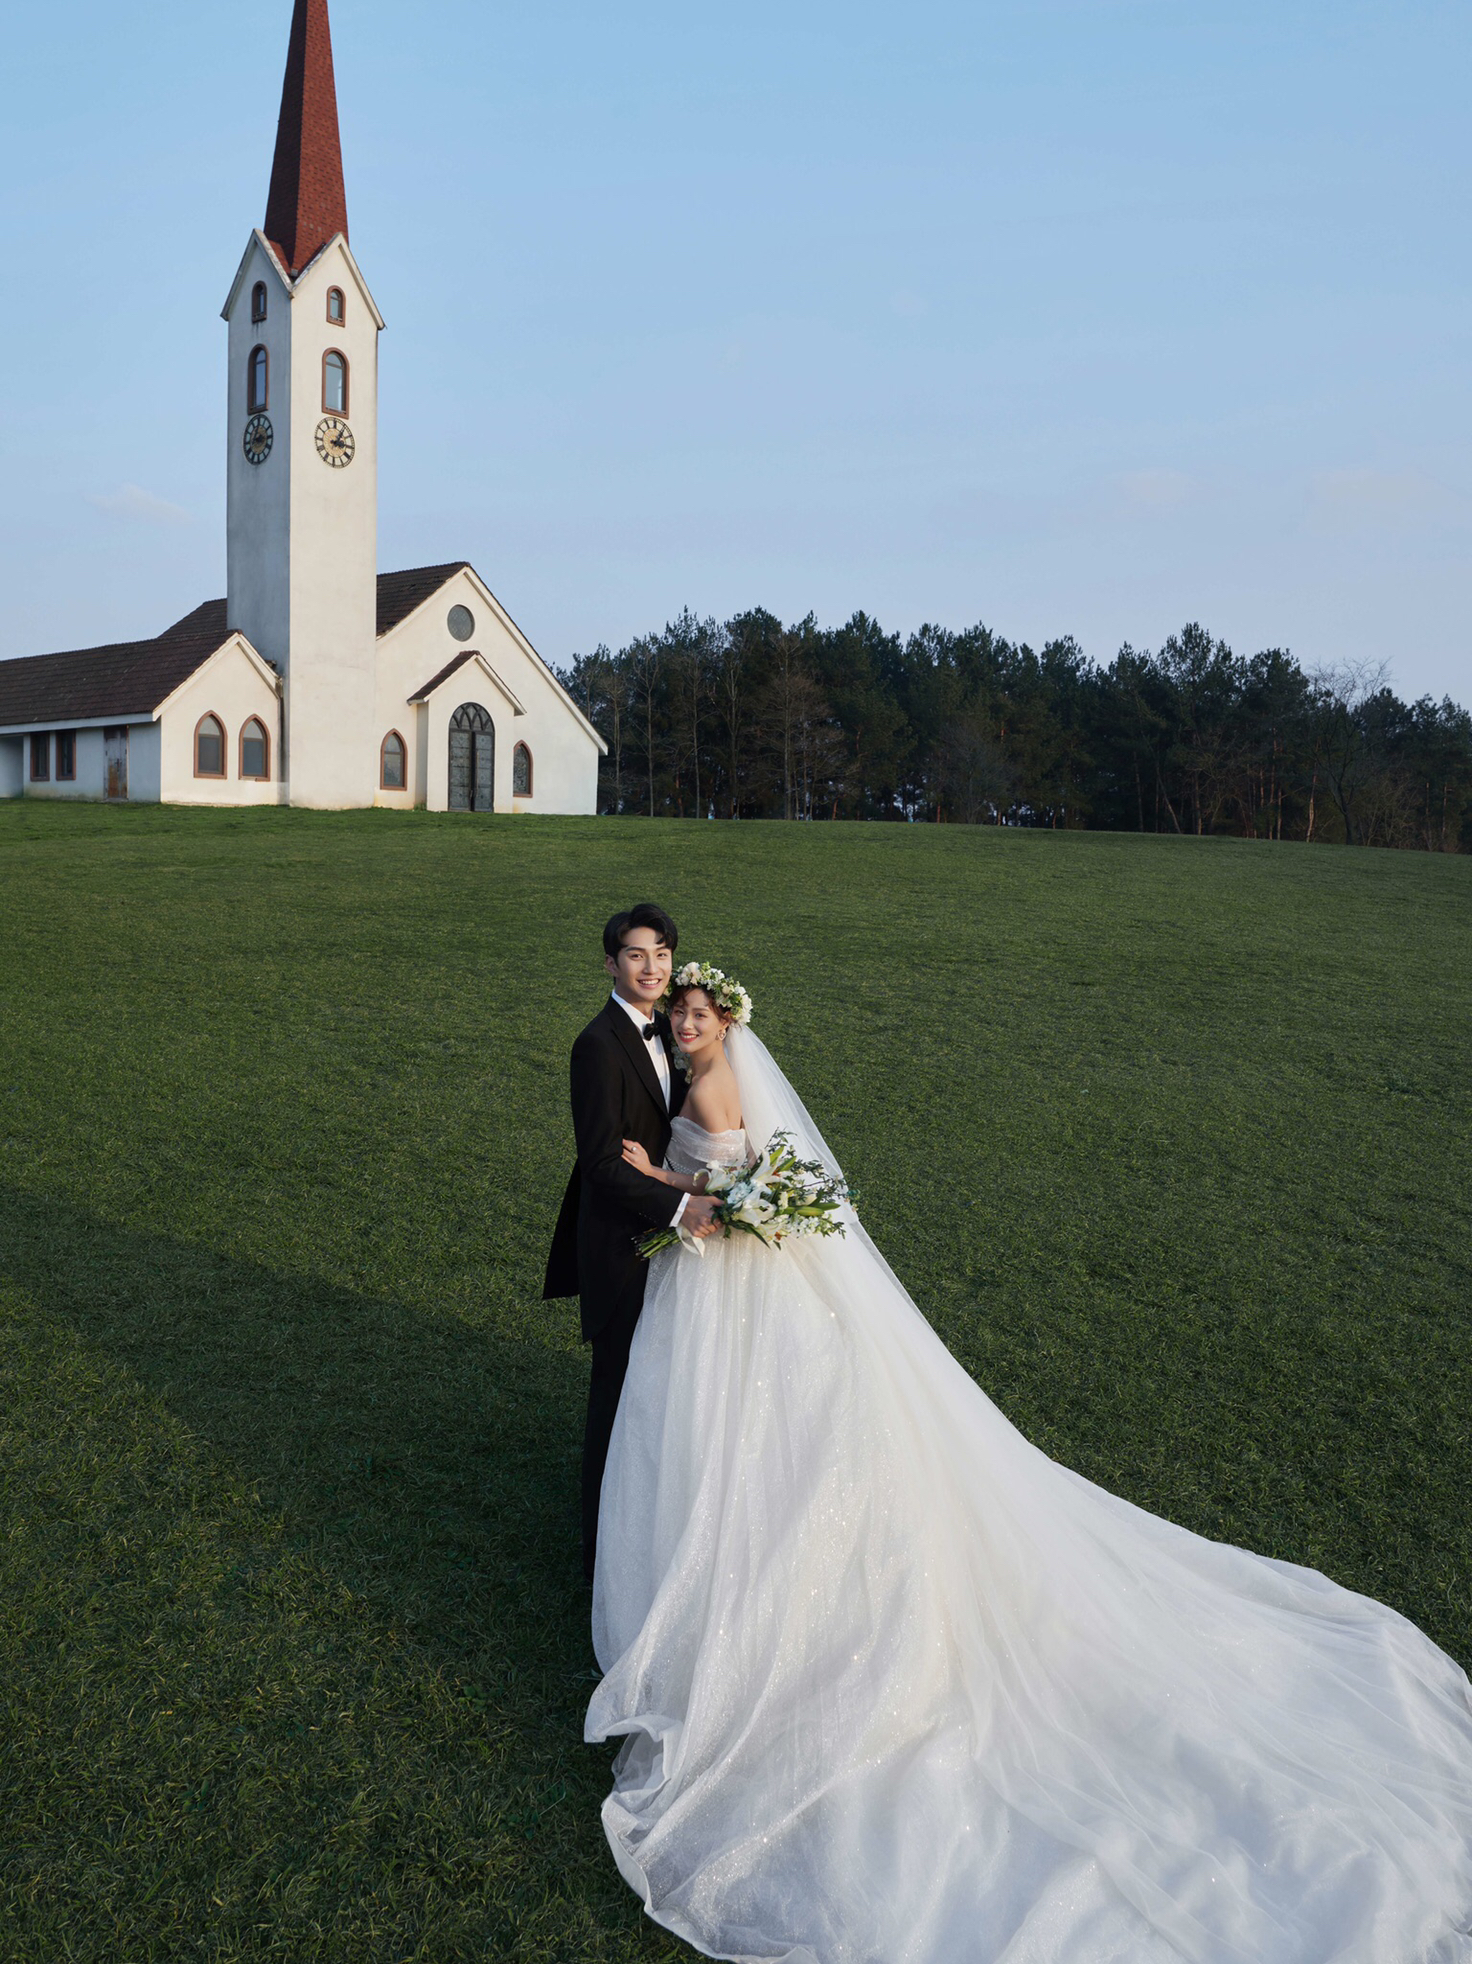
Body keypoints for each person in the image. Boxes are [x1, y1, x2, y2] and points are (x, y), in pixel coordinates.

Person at [587, 964, 1472, 1964]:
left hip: (731, 1275)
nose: (690, 1025)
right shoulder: (703, 1071)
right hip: (727, 1284)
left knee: (758, 1438)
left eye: (701, 1013)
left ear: (722, 1020)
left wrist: (662, 1179)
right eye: (684, 1014)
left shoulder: (707, 1082)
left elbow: (733, 1182)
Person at [542, 906, 720, 1583]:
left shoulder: (673, 1032)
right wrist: (680, 1204)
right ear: (611, 963)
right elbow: (602, 1165)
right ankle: (599, 1556)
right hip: (623, 1247)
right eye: (637, 954)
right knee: (615, 1401)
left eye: (662, 954)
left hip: (666, 1242)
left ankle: (650, 1529)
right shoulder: (597, 1044)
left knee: (654, 1395)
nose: (652, 967)